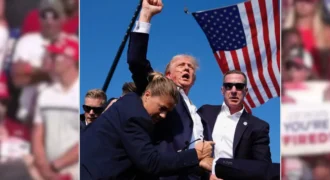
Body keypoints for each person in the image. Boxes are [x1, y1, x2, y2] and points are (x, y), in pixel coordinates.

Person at [127, 0, 211, 178]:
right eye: (181, 65)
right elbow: (136, 61)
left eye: (190, 67)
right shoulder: (160, 91)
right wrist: (146, 15)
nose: (187, 68)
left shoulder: (198, 114)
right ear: (168, 74)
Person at [80, 72, 214, 180]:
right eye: (162, 108)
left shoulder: (128, 103)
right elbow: (151, 163)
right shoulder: (135, 117)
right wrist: (195, 154)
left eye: (167, 111)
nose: (163, 115)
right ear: (148, 95)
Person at [197, 70, 272, 180]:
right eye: (228, 86)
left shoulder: (258, 127)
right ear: (222, 90)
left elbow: (262, 167)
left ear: (245, 91)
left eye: (239, 86)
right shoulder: (205, 112)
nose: (233, 91)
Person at [32, 37, 79, 180]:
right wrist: (44, 167)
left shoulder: (83, 94)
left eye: (55, 56)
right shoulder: (45, 94)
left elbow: (88, 136)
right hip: (46, 173)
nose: (50, 60)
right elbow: (37, 134)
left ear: (70, 60)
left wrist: (56, 165)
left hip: (75, 172)